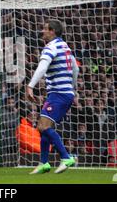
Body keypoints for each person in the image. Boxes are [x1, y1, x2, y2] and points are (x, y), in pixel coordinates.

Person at [27, 19, 79, 174]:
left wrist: (30, 86)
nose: (42, 31)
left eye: (45, 29)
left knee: (42, 126)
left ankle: (65, 157)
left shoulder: (51, 47)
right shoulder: (65, 46)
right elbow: (75, 69)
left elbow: (42, 67)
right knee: (44, 127)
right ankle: (44, 163)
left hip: (58, 94)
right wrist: (72, 88)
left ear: (52, 31)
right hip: (65, 93)